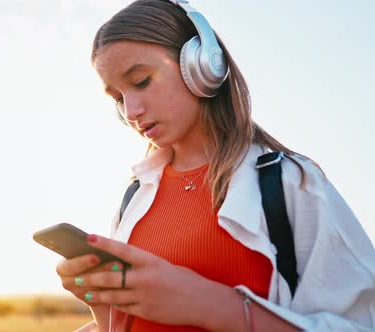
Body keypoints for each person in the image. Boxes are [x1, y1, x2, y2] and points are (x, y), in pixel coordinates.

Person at [55, 0, 375, 331]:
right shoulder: (132, 200)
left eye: (141, 81)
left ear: (201, 64)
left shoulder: (291, 183)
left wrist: (215, 306)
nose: (131, 110)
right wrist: (103, 304)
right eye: (118, 98)